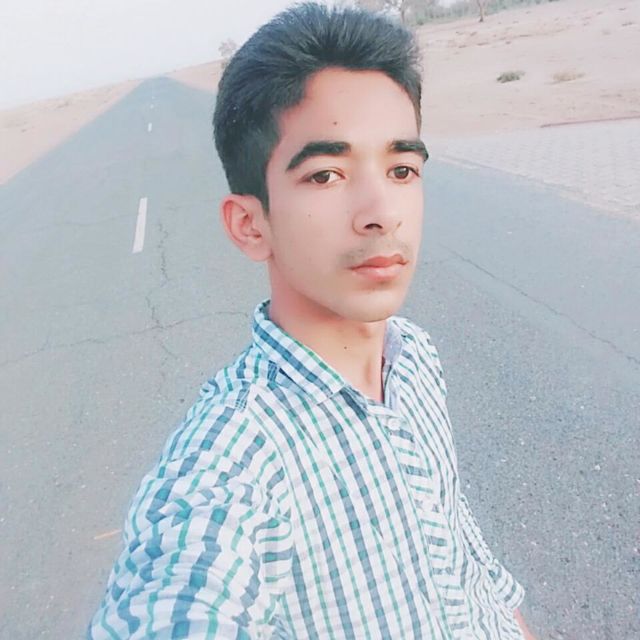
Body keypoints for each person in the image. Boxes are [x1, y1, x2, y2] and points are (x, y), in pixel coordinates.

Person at [88, 3, 537, 638]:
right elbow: (179, 596)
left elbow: (454, 535)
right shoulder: (235, 464)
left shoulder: (413, 356)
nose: (381, 212)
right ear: (251, 225)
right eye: (326, 175)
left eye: (401, 170)